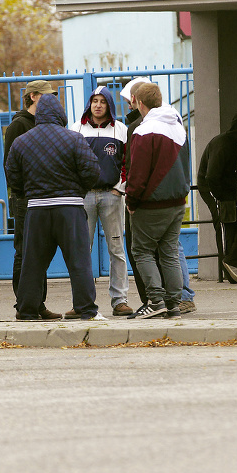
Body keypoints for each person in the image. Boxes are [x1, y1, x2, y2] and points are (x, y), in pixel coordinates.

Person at [5, 94, 105, 321]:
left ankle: (27, 310)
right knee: (79, 261)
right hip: (69, 209)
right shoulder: (74, 139)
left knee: (33, 263)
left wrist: (27, 194)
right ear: (60, 114)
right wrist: (77, 192)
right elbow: (92, 171)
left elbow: (12, 175)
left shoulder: (21, 141)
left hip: (37, 209)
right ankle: (86, 309)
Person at [121, 78, 197, 314]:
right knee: (170, 251)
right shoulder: (178, 126)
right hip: (176, 202)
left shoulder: (144, 131)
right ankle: (174, 302)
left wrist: (131, 201)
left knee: (142, 251)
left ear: (140, 103)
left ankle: (155, 301)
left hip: (151, 203)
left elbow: (138, 172)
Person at [70, 85, 132, 317]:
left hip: (111, 196)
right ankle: (82, 303)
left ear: (109, 105)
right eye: (94, 101)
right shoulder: (77, 129)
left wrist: (119, 189)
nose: (98, 105)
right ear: (89, 104)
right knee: (81, 249)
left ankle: (120, 300)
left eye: (102, 101)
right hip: (83, 196)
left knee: (116, 249)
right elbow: (69, 162)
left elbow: (127, 162)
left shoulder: (121, 130)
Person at [3, 79, 62, 320]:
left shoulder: (45, 123)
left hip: (43, 196)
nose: (53, 99)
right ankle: (24, 302)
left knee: (41, 249)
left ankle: (38, 303)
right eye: (47, 95)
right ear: (34, 96)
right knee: (24, 251)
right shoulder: (19, 125)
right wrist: (23, 192)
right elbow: (10, 166)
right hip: (26, 199)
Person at [197, 112, 237, 284]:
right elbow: (211, 176)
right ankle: (230, 268)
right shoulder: (222, 144)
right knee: (225, 225)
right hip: (214, 190)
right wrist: (222, 199)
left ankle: (233, 264)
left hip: (227, 190)